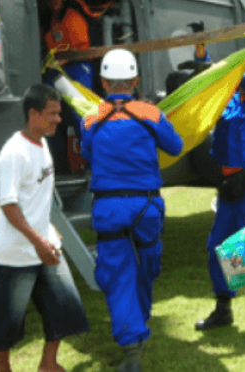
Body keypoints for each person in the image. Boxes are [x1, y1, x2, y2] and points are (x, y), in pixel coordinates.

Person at [81, 48, 183, 372]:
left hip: (110, 208)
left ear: (103, 82)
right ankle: (138, 328)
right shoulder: (151, 113)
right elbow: (176, 146)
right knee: (147, 268)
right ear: (135, 80)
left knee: (117, 276)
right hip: (147, 205)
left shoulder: (90, 117)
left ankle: (132, 353)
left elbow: (86, 152)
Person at [0, 84, 90, 372]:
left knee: (65, 307)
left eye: (59, 113)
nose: (58, 119)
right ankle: (3, 369)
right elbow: (9, 206)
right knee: (6, 322)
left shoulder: (43, 144)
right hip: (16, 253)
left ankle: (48, 364)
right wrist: (36, 241)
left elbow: (38, 197)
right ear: (33, 114)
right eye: (52, 114)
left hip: (45, 245)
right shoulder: (13, 153)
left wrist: (49, 232)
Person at [194, 45, 245, 342]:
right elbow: (209, 79)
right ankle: (223, 306)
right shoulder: (227, 99)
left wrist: (243, 73)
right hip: (229, 185)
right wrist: (204, 57)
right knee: (217, 247)